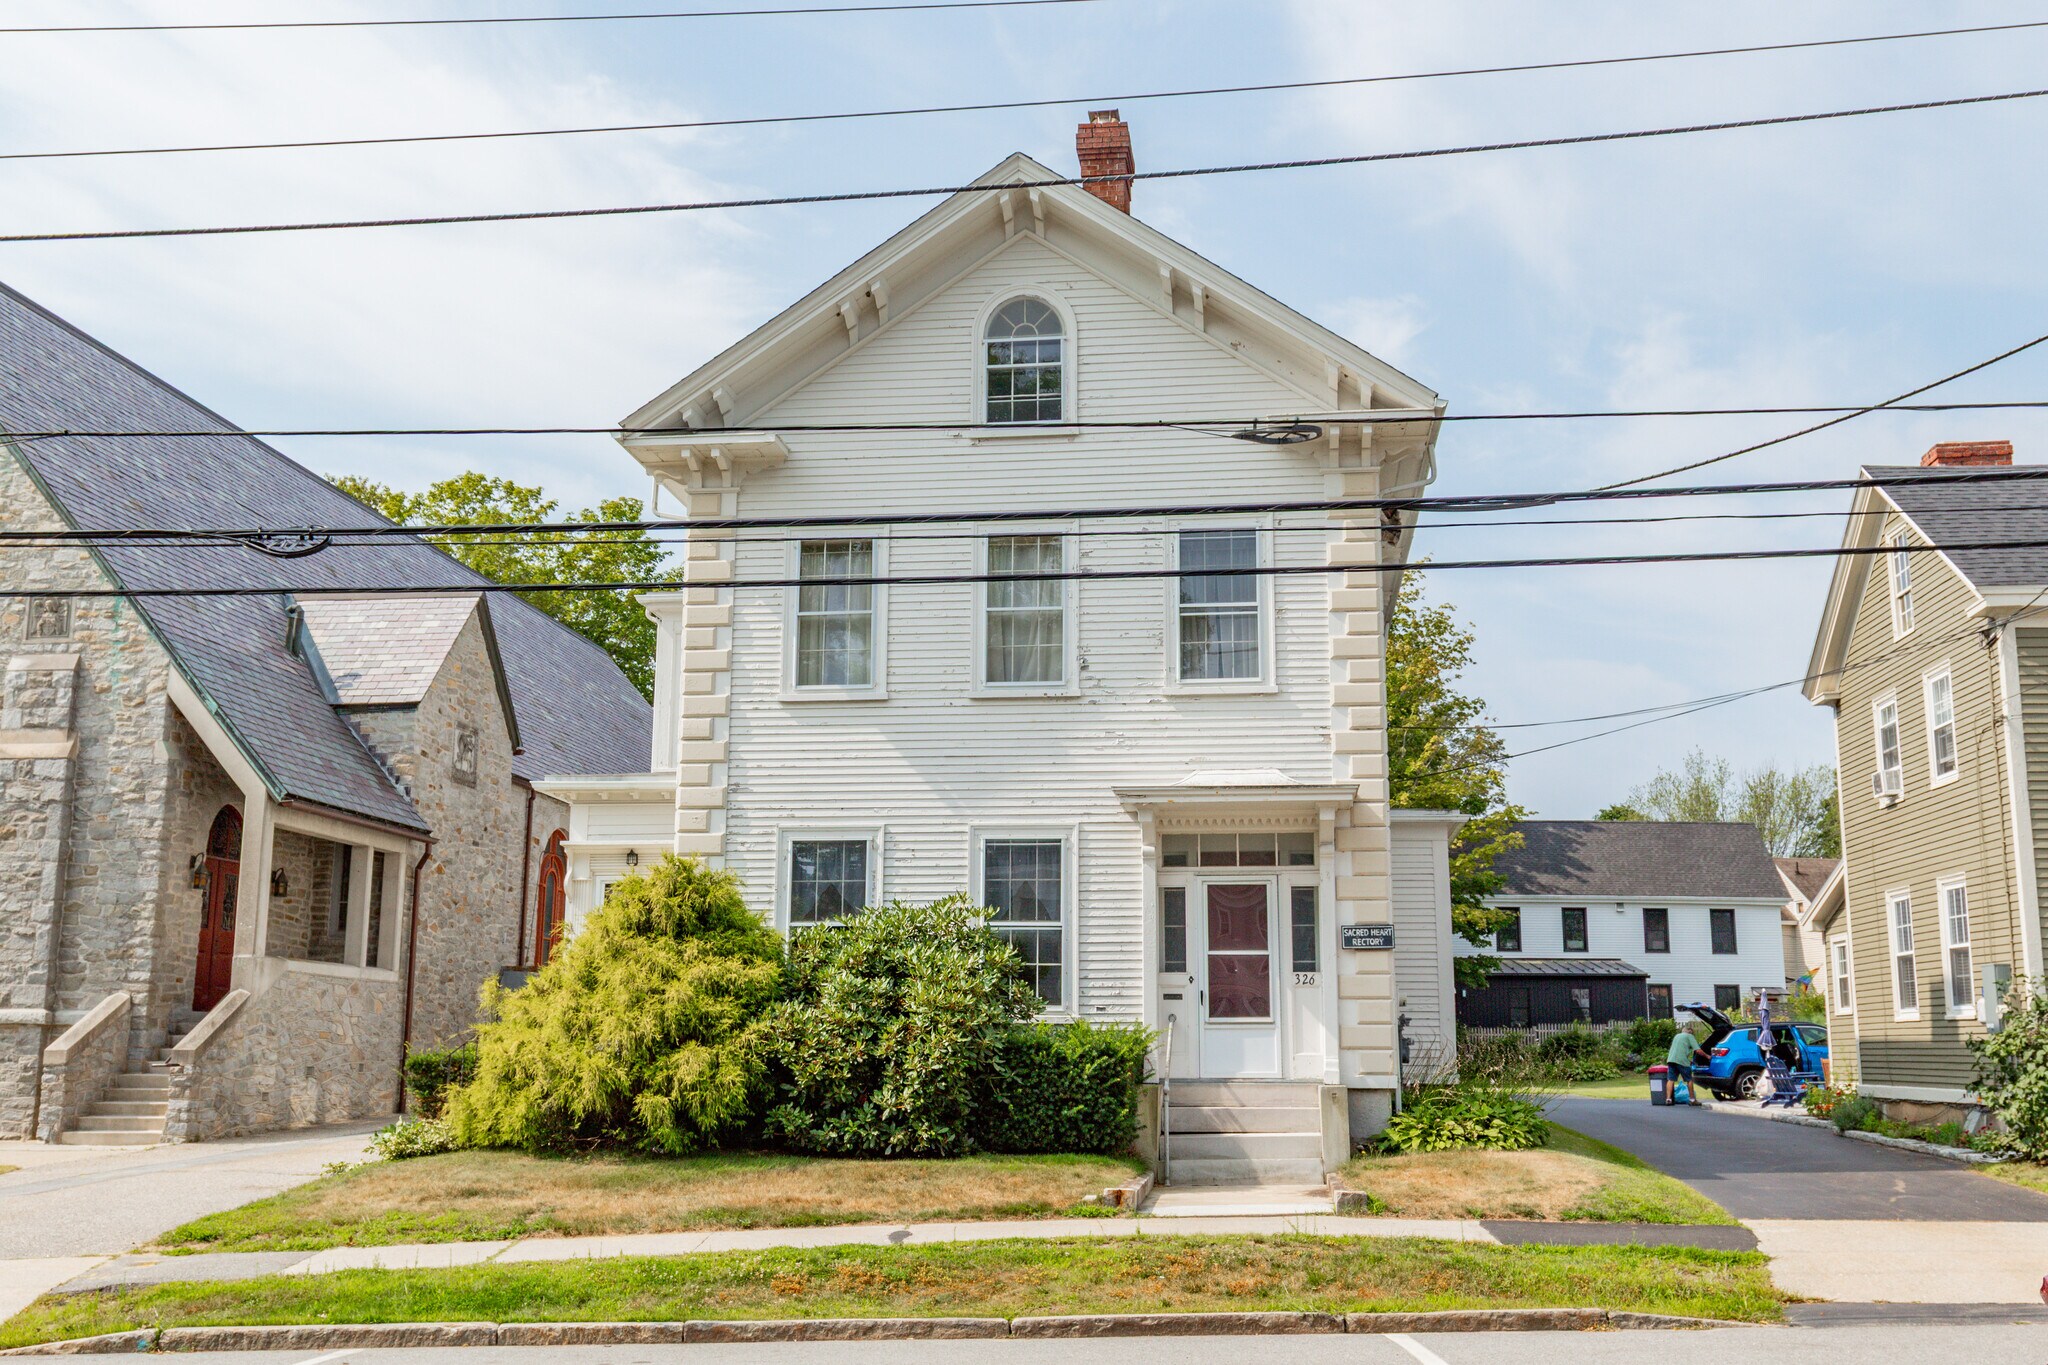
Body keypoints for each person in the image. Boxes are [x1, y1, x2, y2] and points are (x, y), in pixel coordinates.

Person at [1666, 1027, 1704, 1107]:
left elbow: (1679, 1050)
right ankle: (1692, 1100)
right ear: (1690, 1032)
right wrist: (1708, 1057)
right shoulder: (1689, 1036)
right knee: (1689, 1079)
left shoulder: (1677, 1036)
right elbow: (1698, 1050)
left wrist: (1688, 1060)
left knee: (1671, 1079)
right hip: (1682, 1061)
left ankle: (1668, 1099)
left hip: (1671, 1059)